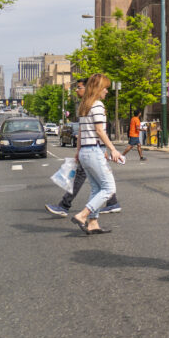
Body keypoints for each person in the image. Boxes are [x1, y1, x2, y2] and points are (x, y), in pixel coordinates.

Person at [45, 78, 121, 217]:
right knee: (102, 187)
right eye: (104, 88)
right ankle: (88, 217)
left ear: (89, 88)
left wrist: (106, 149)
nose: (76, 90)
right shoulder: (92, 105)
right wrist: (109, 149)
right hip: (92, 150)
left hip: (91, 149)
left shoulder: (91, 106)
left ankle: (85, 216)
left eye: (79, 87)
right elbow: (91, 130)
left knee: (99, 187)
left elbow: (94, 130)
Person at [70, 73, 124, 235]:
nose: (107, 91)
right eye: (105, 88)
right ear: (98, 88)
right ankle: (83, 215)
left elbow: (81, 131)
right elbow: (99, 130)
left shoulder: (84, 106)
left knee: (96, 188)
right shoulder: (98, 105)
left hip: (86, 151)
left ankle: (93, 223)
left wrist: (78, 152)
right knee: (109, 188)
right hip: (94, 150)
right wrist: (112, 149)